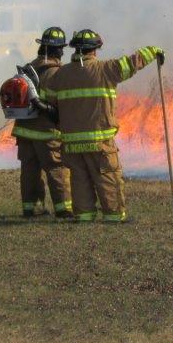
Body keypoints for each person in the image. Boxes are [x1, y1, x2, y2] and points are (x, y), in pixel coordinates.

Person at [44, 29, 163, 222]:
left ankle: (84, 216)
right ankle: (114, 216)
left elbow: (50, 102)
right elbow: (132, 63)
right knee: (107, 177)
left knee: (79, 179)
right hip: (99, 141)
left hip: (71, 143)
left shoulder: (60, 75)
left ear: (75, 49)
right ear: (94, 50)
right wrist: (153, 50)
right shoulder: (105, 69)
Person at [12, 26, 72, 218]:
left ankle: (31, 208)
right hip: (47, 132)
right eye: (61, 48)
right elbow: (62, 103)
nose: (63, 52)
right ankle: (63, 209)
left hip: (24, 130)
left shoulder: (28, 69)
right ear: (55, 50)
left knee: (29, 170)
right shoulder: (58, 73)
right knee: (57, 168)